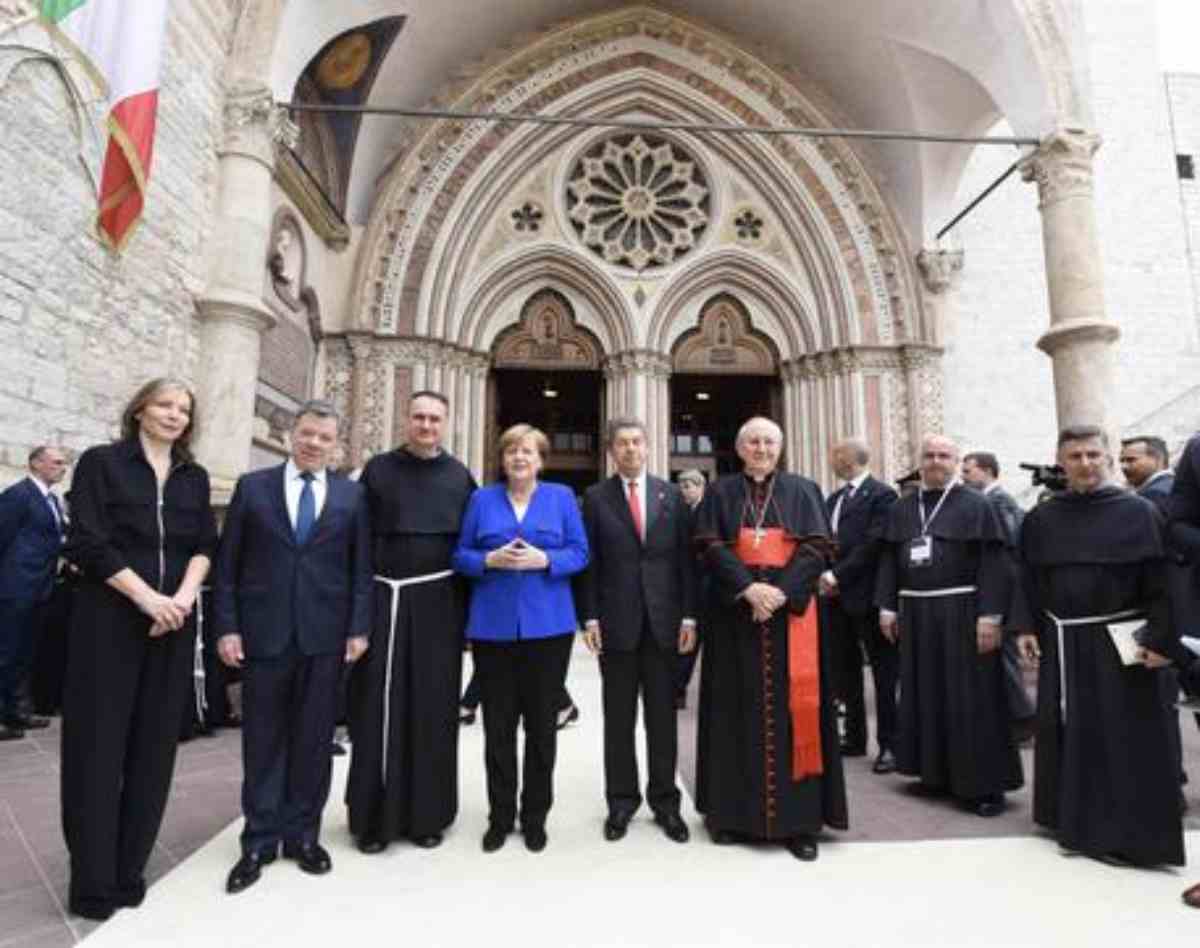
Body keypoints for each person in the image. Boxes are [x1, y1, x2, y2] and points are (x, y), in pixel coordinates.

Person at [60, 379, 217, 920]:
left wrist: (180, 600)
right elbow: (87, 540)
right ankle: (92, 881)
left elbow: (203, 546)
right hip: (109, 623)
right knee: (97, 751)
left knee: (153, 751)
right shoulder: (101, 464)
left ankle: (129, 869)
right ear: (140, 410)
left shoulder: (193, 478)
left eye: (184, 410)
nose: (174, 415)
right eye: (165, 405)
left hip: (170, 624)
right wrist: (147, 598)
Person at [215, 401, 372, 894]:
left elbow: (360, 570)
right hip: (263, 635)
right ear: (291, 435)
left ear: (337, 445)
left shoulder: (351, 497)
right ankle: (258, 839)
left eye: (324, 438)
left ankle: (303, 835)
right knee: (262, 739)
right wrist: (227, 627)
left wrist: (358, 628)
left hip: (325, 637)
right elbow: (228, 566)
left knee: (312, 740)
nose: (314, 444)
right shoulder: (253, 488)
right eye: (307, 434)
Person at [1013, 425, 1183, 867]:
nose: (1085, 464)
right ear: (1061, 461)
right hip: (1063, 639)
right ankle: (1068, 817)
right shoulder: (1042, 518)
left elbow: (1166, 584)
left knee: (1125, 735)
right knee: (1070, 731)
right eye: (1075, 456)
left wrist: (1162, 640)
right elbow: (1028, 577)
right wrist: (1026, 626)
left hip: (1124, 643)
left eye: (1093, 455)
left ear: (1107, 459)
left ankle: (1127, 830)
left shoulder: (1139, 513)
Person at [692, 417, 846, 861]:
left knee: (796, 712)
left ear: (780, 447)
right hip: (736, 619)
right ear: (740, 449)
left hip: (789, 617)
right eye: (753, 441)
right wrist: (747, 588)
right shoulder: (720, 492)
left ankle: (800, 824)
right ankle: (731, 816)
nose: (761, 448)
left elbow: (817, 547)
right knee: (733, 712)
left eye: (769, 441)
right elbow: (708, 546)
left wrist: (779, 592)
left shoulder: (802, 489)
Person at [346, 391, 476, 853]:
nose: (426, 426)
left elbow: (469, 551)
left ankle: (428, 815)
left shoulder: (460, 477)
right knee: (376, 710)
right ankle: (373, 818)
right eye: (418, 417)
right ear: (407, 420)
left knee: (433, 710)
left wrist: (465, 625)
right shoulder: (377, 470)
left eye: (434, 419)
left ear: (446, 423)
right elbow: (356, 542)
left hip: (439, 607)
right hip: (385, 600)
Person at [451, 424, 588, 854]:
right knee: (498, 728)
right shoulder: (481, 499)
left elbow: (581, 552)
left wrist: (546, 558)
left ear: (541, 460)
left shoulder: (561, 498)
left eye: (528, 451)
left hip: (548, 629)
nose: (519, 458)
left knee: (542, 728)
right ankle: (500, 816)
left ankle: (535, 817)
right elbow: (460, 555)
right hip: (493, 630)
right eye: (511, 451)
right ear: (502, 459)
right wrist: (487, 559)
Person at [875, 434, 1022, 816]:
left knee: (971, 697)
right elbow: (890, 559)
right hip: (917, 613)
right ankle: (934, 772)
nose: (936, 461)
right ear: (919, 461)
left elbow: (995, 564)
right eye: (929, 455)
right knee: (925, 692)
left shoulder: (977, 504)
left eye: (944, 455)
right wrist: (887, 607)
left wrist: (990, 616)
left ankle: (984, 785)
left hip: (964, 611)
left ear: (956, 461)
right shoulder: (903, 507)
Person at [578, 418, 696, 844]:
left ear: (648, 447)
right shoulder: (595, 498)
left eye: (637, 442)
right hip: (617, 626)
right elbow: (588, 563)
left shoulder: (672, 496)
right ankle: (621, 803)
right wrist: (589, 618)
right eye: (622, 444)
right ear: (612, 451)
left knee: (662, 720)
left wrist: (689, 617)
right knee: (619, 721)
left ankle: (666, 803)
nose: (630, 449)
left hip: (665, 626)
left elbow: (686, 561)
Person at [818, 438, 898, 774]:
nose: (832, 460)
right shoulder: (833, 498)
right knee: (843, 670)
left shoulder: (883, 495)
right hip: (835, 600)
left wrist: (836, 575)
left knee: (883, 673)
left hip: (867, 596)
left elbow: (873, 544)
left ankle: (890, 745)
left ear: (848, 458)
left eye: (835, 454)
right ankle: (853, 736)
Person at [1119, 435, 1190, 802]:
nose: (1124, 465)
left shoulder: (1158, 499)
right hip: (1167, 618)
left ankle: (1170, 786)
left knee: (1164, 702)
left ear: (1159, 459)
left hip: (1169, 620)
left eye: (1132, 459)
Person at [961, 451, 1038, 741]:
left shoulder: (997, 502)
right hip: (1000, 589)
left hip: (1004, 591)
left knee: (1004, 655)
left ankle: (1022, 719)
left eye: (968, 471)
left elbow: (1004, 550)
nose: (963, 477)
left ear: (987, 471)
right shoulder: (990, 502)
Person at [0, 445, 68, 739]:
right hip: (15, 588)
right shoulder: (18, 495)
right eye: (56, 462)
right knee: (6, 652)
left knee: (24, 653)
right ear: (35, 464)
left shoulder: (51, 500)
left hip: (40, 588)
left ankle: (18, 712)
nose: (62, 467)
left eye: (64, 463)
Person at [673, 469, 707, 708]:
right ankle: (678, 689)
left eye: (689, 485)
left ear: (701, 486)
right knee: (686, 642)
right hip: (686, 585)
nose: (684, 490)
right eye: (681, 485)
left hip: (708, 586)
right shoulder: (679, 511)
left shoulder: (709, 510)